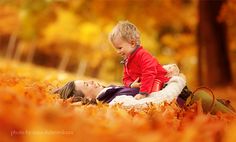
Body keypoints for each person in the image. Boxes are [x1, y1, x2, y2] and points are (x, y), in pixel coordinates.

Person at [109, 20, 169, 100]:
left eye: (120, 48)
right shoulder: (127, 59)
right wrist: (131, 84)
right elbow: (125, 77)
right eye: (116, 49)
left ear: (132, 43)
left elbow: (149, 72)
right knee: (124, 91)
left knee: (153, 97)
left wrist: (143, 93)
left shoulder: (142, 55)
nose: (118, 51)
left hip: (157, 81)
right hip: (144, 86)